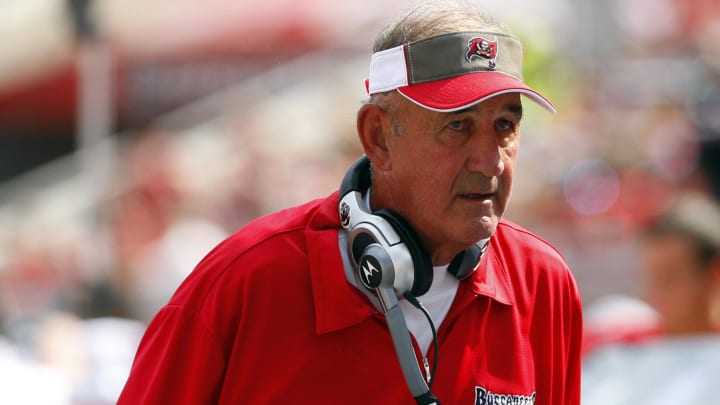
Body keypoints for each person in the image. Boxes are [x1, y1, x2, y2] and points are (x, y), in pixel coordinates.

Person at [118, 1, 582, 404]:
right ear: (377, 136)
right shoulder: (243, 281)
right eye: (457, 125)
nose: (489, 161)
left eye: (505, 126)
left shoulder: (543, 283)